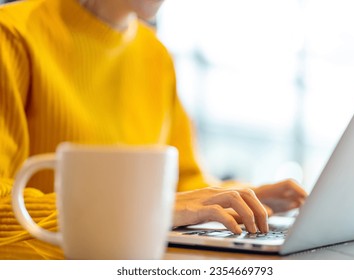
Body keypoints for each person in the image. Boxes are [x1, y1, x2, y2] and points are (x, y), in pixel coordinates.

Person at [0, 0, 307, 252]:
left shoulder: (155, 55)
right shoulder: (11, 34)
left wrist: (246, 197)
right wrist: (146, 210)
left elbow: (183, 183)